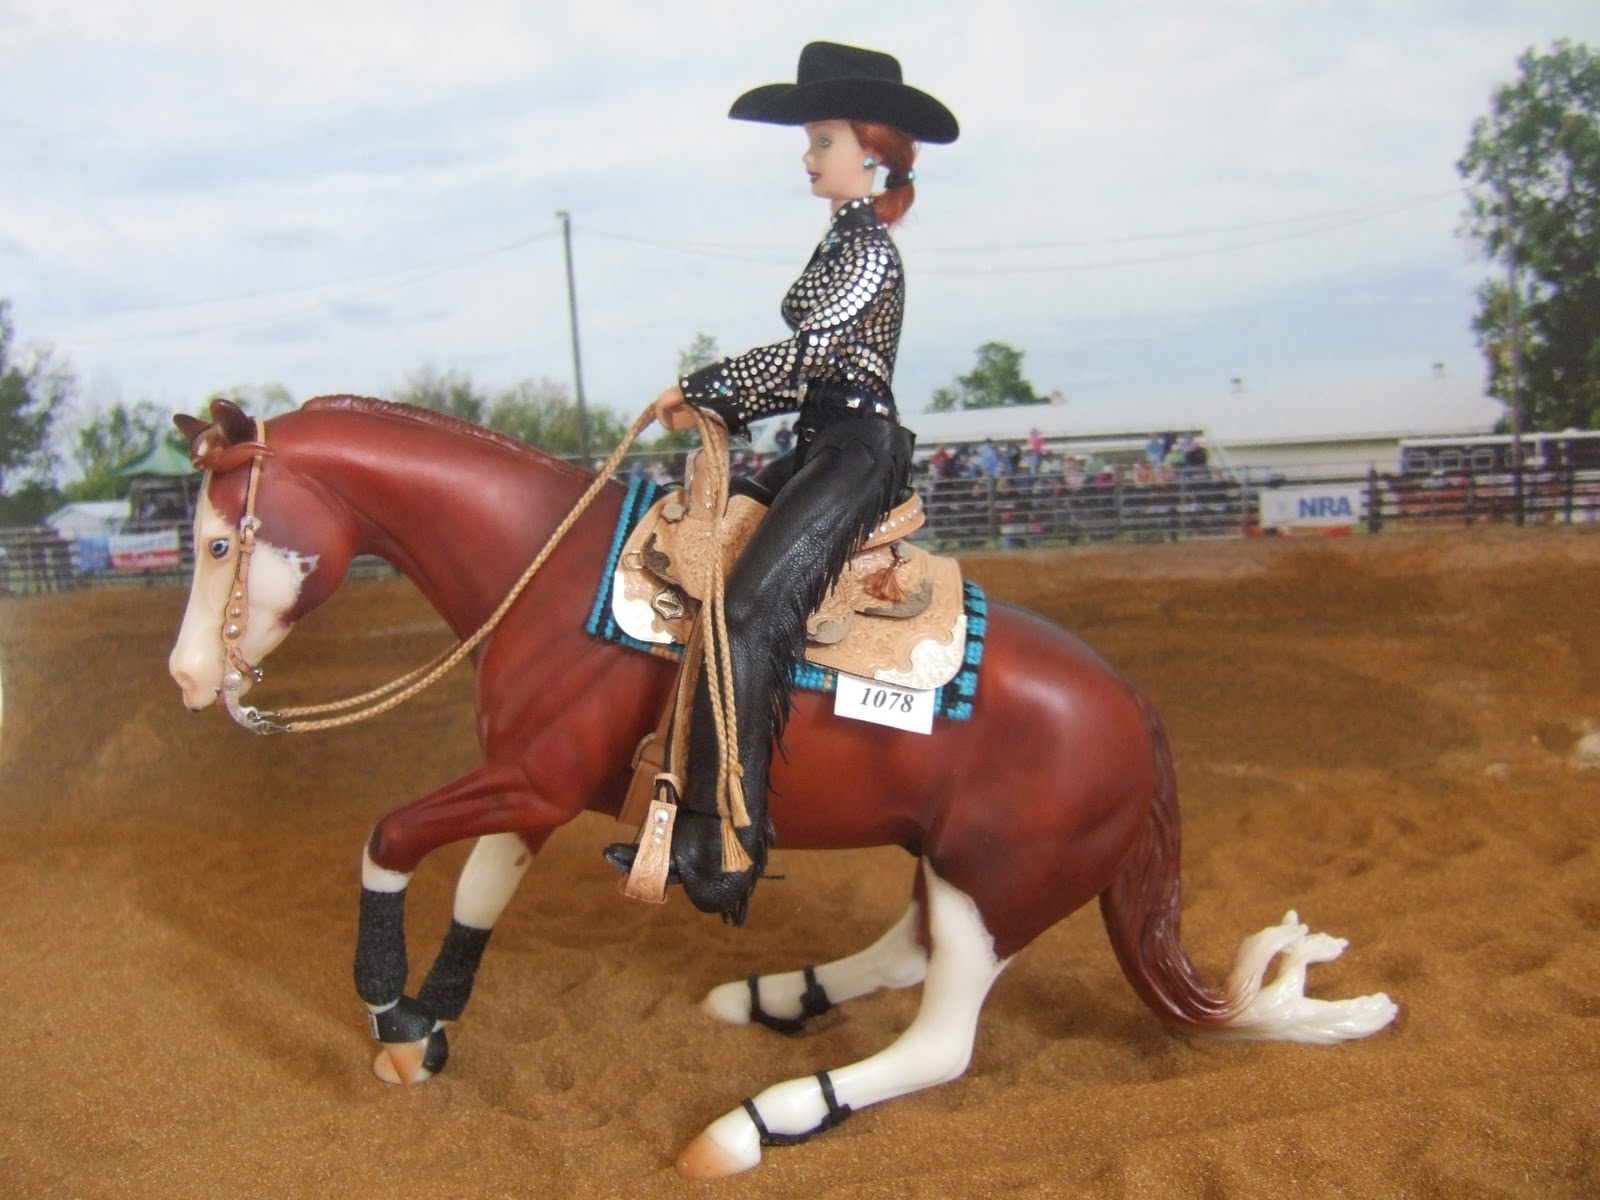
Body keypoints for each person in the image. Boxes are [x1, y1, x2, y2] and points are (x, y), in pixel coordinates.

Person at [606, 41, 958, 923]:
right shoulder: (846, 239)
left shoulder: (868, 249)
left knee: (751, 611)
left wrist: (706, 386)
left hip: (854, 451)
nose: (809, 156)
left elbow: (811, 356)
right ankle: (692, 811)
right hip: (820, 445)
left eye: (822, 139)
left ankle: (729, 842)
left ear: (872, 153)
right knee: (703, 574)